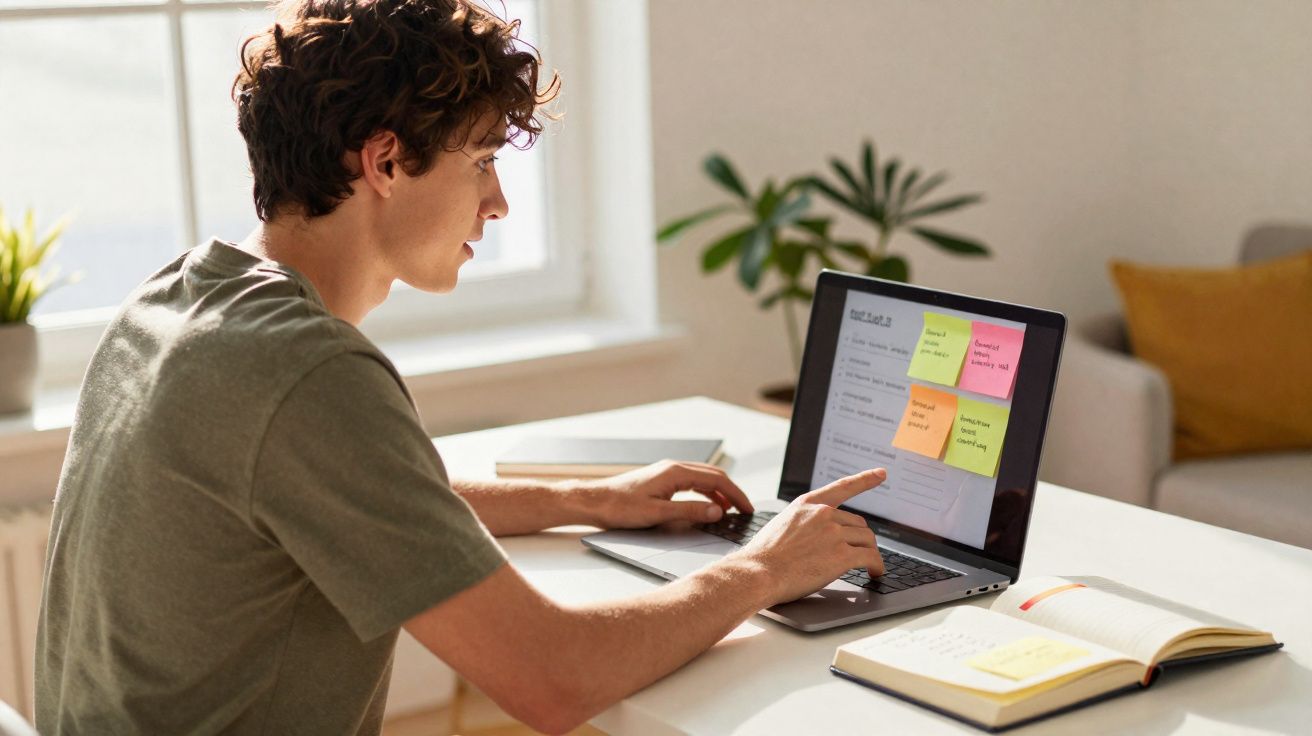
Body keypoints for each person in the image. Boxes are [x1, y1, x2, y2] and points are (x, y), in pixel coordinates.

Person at [34, 1, 886, 734]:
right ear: (384, 161)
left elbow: (353, 499)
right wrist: (766, 568)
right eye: (480, 161)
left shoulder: (179, 300)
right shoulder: (304, 370)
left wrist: (586, 500)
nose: (499, 200)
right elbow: (552, 679)